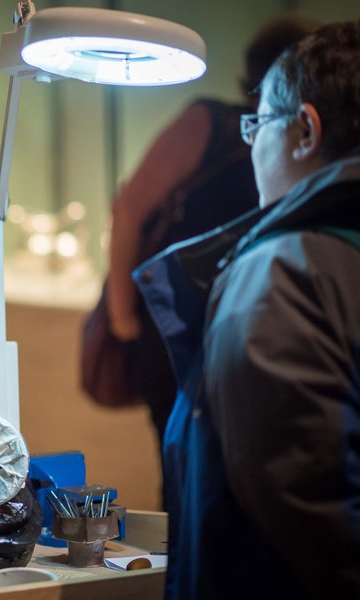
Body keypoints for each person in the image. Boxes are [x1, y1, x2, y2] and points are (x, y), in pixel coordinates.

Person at [135, 20, 360, 599]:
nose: (250, 144)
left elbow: (305, 498)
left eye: (258, 124)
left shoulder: (283, 271)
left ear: (304, 131)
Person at [103, 13, 320, 454]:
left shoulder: (304, 141)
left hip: (245, 324)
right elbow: (128, 210)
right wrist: (123, 316)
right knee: (185, 460)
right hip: (179, 321)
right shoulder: (213, 122)